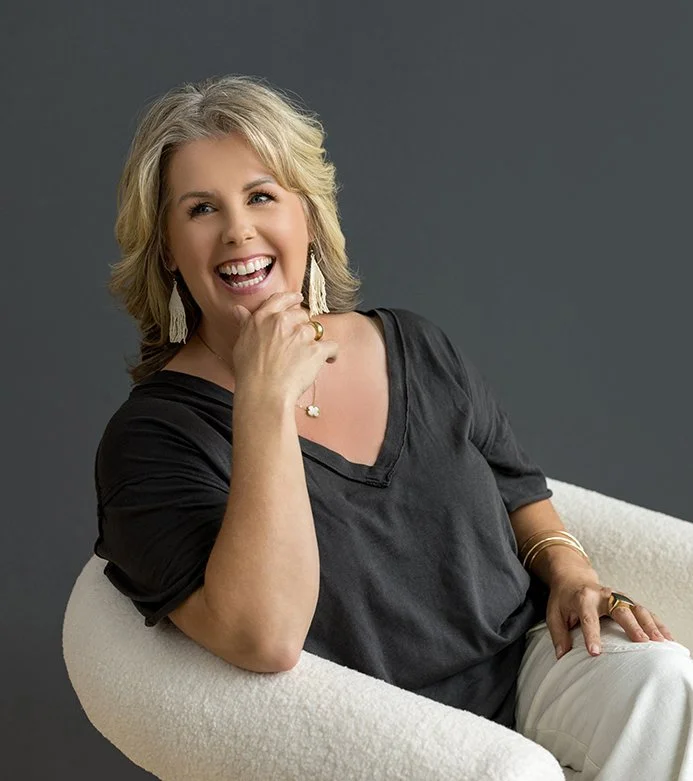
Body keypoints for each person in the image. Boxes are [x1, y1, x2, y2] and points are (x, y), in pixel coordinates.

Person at [93, 74, 693, 780]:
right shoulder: (152, 439)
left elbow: (515, 484)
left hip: (523, 665)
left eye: (261, 195)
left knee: (662, 681)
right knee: (510, 770)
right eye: (200, 209)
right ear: (166, 247)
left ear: (306, 218)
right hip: (378, 731)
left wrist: (570, 571)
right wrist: (262, 399)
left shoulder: (413, 344)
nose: (238, 230)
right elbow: (265, 635)